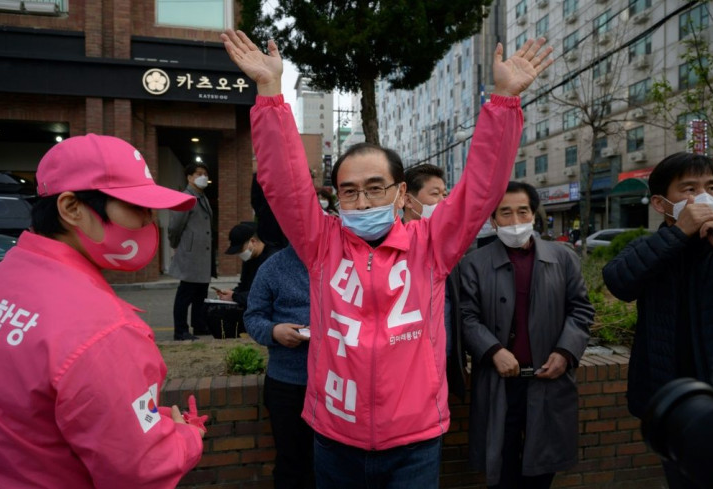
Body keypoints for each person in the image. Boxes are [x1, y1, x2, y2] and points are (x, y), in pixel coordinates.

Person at [222, 28, 552, 489]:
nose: (361, 201)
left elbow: (480, 189)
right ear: (336, 198)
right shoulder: (320, 246)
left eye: (375, 187)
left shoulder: (432, 245)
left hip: (414, 440)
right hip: (334, 435)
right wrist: (270, 94)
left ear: (400, 193)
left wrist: (502, 103)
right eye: (349, 191)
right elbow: (284, 182)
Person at [0, 134, 205, 488]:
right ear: (71, 208)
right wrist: (187, 437)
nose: (147, 223)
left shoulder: (9, 271)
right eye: (136, 207)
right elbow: (141, 471)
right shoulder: (106, 332)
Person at [602, 152, 713, 489]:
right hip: (674, 402)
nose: (703, 198)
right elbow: (619, 281)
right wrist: (679, 235)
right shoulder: (651, 247)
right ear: (660, 204)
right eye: (688, 189)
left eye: (711, 187)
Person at [459, 181, 593, 489]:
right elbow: (466, 317)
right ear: (493, 220)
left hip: (547, 380)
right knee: (501, 467)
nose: (515, 220)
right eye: (505, 213)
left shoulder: (562, 258)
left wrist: (566, 351)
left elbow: (581, 310)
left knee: (542, 469)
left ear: (534, 214)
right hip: (499, 383)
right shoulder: (473, 264)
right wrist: (493, 350)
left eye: (523, 211)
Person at [244, 245, 314, 489]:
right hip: (286, 383)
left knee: (331, 461)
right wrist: (274, 331)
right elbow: (253, 317)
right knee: (290, 461)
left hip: (335, 383)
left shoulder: (341, 260)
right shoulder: (272, 267)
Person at [403, 163, 465, 398]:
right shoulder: (389, 246)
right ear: (408, 201)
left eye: (445, 194)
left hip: (443, 360)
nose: (443, 201)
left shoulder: (449, 248)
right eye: (435, 194)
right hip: (404, 362)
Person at [207, 221, 281, 337]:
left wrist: (235, 296)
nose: (241, 254)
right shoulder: (250, 259)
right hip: (252, 305)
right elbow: (244, 286)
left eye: (241, 250)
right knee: (211, 310)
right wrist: (232, 294)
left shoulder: (272, 260)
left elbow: (265, 295)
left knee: (219, 314)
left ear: (253, 241)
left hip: (268, 312)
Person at [169, 162, 215, 341]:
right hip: (191, 254)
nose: (203, 176)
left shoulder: (202, 197)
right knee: (185, 293)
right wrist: (176, 244)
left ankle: (199, 325)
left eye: (205, 173)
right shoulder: (186, 197)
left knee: (200, 293)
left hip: (202, 255)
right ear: (189, 177)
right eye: (198, 173)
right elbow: (174, 227)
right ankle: (180, 330)